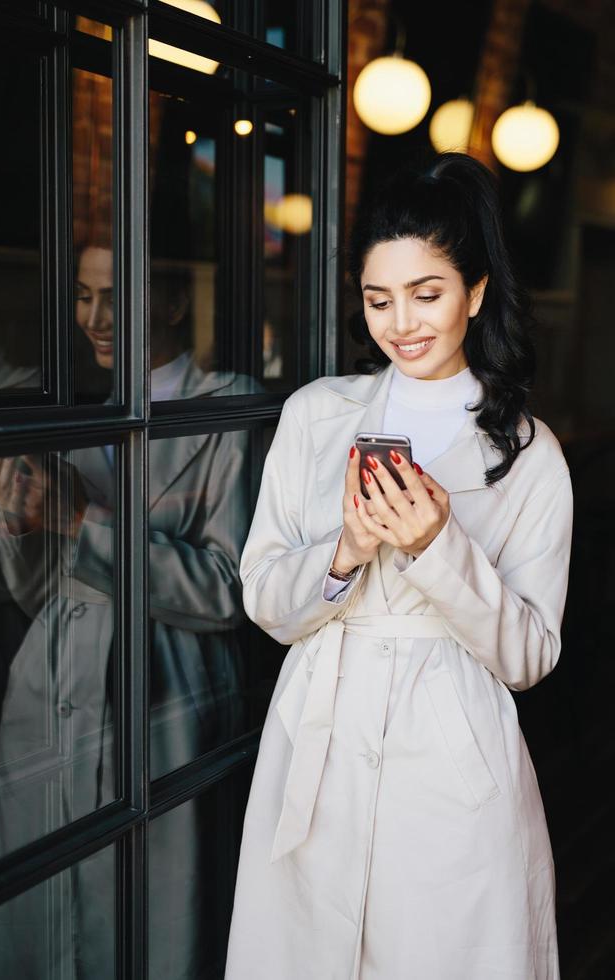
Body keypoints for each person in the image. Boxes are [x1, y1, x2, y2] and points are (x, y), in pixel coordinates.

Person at [225, 152, 572, 980]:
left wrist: (434, 547)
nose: (402, 322)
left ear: (476, 293)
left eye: (428, 294)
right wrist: (345, 551)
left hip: (452, 764)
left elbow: (530, 655)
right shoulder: (316, 415)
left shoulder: (526, 454)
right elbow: (266, 600)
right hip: (317, 741)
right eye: (380, 299)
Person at [0, 244, 255, 979]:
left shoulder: (225, 411)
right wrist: (19, 520)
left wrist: (83, 520)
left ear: (174, 303)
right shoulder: (77, 416)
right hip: (51, 693)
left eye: (114, 295)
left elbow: (226, 591)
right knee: (43, 918)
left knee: (145, 920)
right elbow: (37, 595)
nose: (94, 318)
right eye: (83, 296)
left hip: (161, 701)